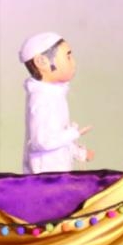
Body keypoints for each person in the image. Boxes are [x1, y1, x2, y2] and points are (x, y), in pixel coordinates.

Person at [19, 32, 94, 174]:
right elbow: (41, 141)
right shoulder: (41, 99)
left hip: (57, 173)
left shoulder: (53, 95)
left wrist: (79, 153)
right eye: (68, 57)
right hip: (46, 177)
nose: (73, 63)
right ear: (42, 62)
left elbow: (58, 137)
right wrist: (73, 133)